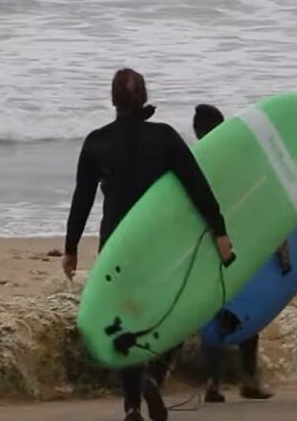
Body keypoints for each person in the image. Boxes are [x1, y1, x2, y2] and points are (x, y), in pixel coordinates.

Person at [62, 69, 235, 421]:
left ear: (113, 100)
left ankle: (131, 405)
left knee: (125, 317)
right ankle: (153, 375)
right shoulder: (166, 138)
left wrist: (71, 247)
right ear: (143, 97)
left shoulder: (97, 142)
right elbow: (197, 187)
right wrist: (219, 231)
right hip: (159, 243)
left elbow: (82, 199)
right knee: (170, 310)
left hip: (117, 245)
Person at [192, 103, 282, 403]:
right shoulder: (239, 162)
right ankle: (247, 379)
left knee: (210, 311)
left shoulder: (191, 164)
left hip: (206, 249)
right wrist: (278, 241)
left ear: (197, 132)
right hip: (241, 245)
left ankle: (214, 383)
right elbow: (261, 202)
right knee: (247, 308)